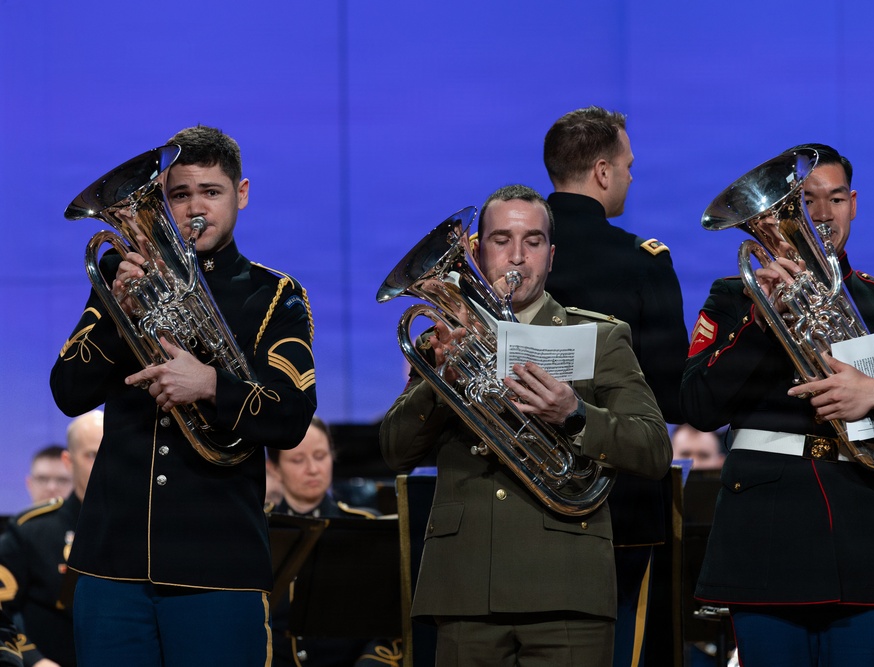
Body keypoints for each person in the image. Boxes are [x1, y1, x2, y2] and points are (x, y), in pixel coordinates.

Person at [681, 143, 874, 666]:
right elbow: (696, 405)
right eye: (805, 200)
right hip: (763, 535)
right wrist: (760, 327)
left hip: (866, 540)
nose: (821, 213)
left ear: (852, 204)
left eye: (835, 199)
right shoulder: (732, 299)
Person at [49, 126, 317, 666]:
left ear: (241, 194)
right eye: (179, 194)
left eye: (211, 192)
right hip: (110, 561)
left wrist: (211, 385)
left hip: (218, 562)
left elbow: (292, 414)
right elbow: (67, 391)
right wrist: (114, 314)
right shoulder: (121, 273)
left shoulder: (275, 295)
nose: (195, 207)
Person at [380, 184, 671, 666]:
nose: (517, 256)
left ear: (551, 256)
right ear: (475, 250)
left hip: (566, 583)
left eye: (533, 241)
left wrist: (575, 415)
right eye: (501, 239)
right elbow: (395, 450)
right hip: (465, 585)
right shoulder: (443, 340)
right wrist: (439, 380)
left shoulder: (598, 335)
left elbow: (654, 448)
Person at [542, 105, 689, 665]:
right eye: (627, 164)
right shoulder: (643, 262)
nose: (630, 174)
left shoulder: (500, 258)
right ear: (603, 172)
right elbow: (672, 396)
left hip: (514, 505)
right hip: (618, 506)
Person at [267, 417, 399, 667]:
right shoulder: (262, 531)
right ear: (274, 468)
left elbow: (390, 627)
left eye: (320, 456)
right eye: (297, 460)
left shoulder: (366, 529)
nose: (313, 469)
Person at [0, 409, 102, 667]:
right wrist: (32, 659)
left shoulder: (147, 530)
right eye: (92, 455)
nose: (105, 465)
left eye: (112, 454)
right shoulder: (32, 531)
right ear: (69, 461)